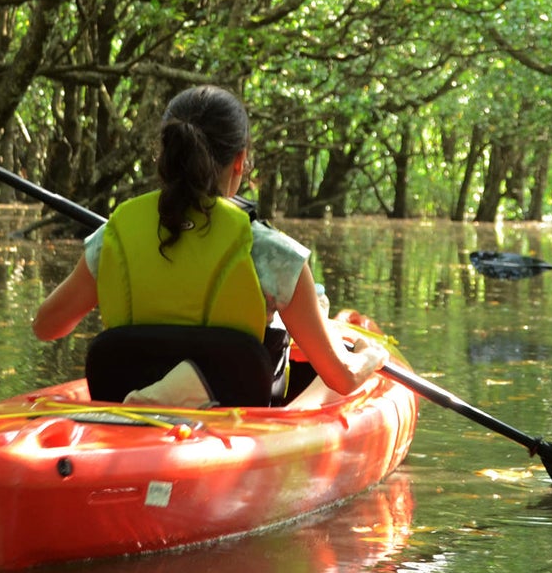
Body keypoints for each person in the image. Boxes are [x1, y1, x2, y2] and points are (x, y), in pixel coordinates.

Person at [33, 84, 388, 406]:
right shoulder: (271, 251)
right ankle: (183, 390)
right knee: (320, 379)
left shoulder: (113, 236)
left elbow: (46, 327)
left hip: (126, 405)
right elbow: (342, 377)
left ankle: (165, 394)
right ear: (239, 161)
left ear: (165, 154)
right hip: (231, 416)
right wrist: (370, 354)